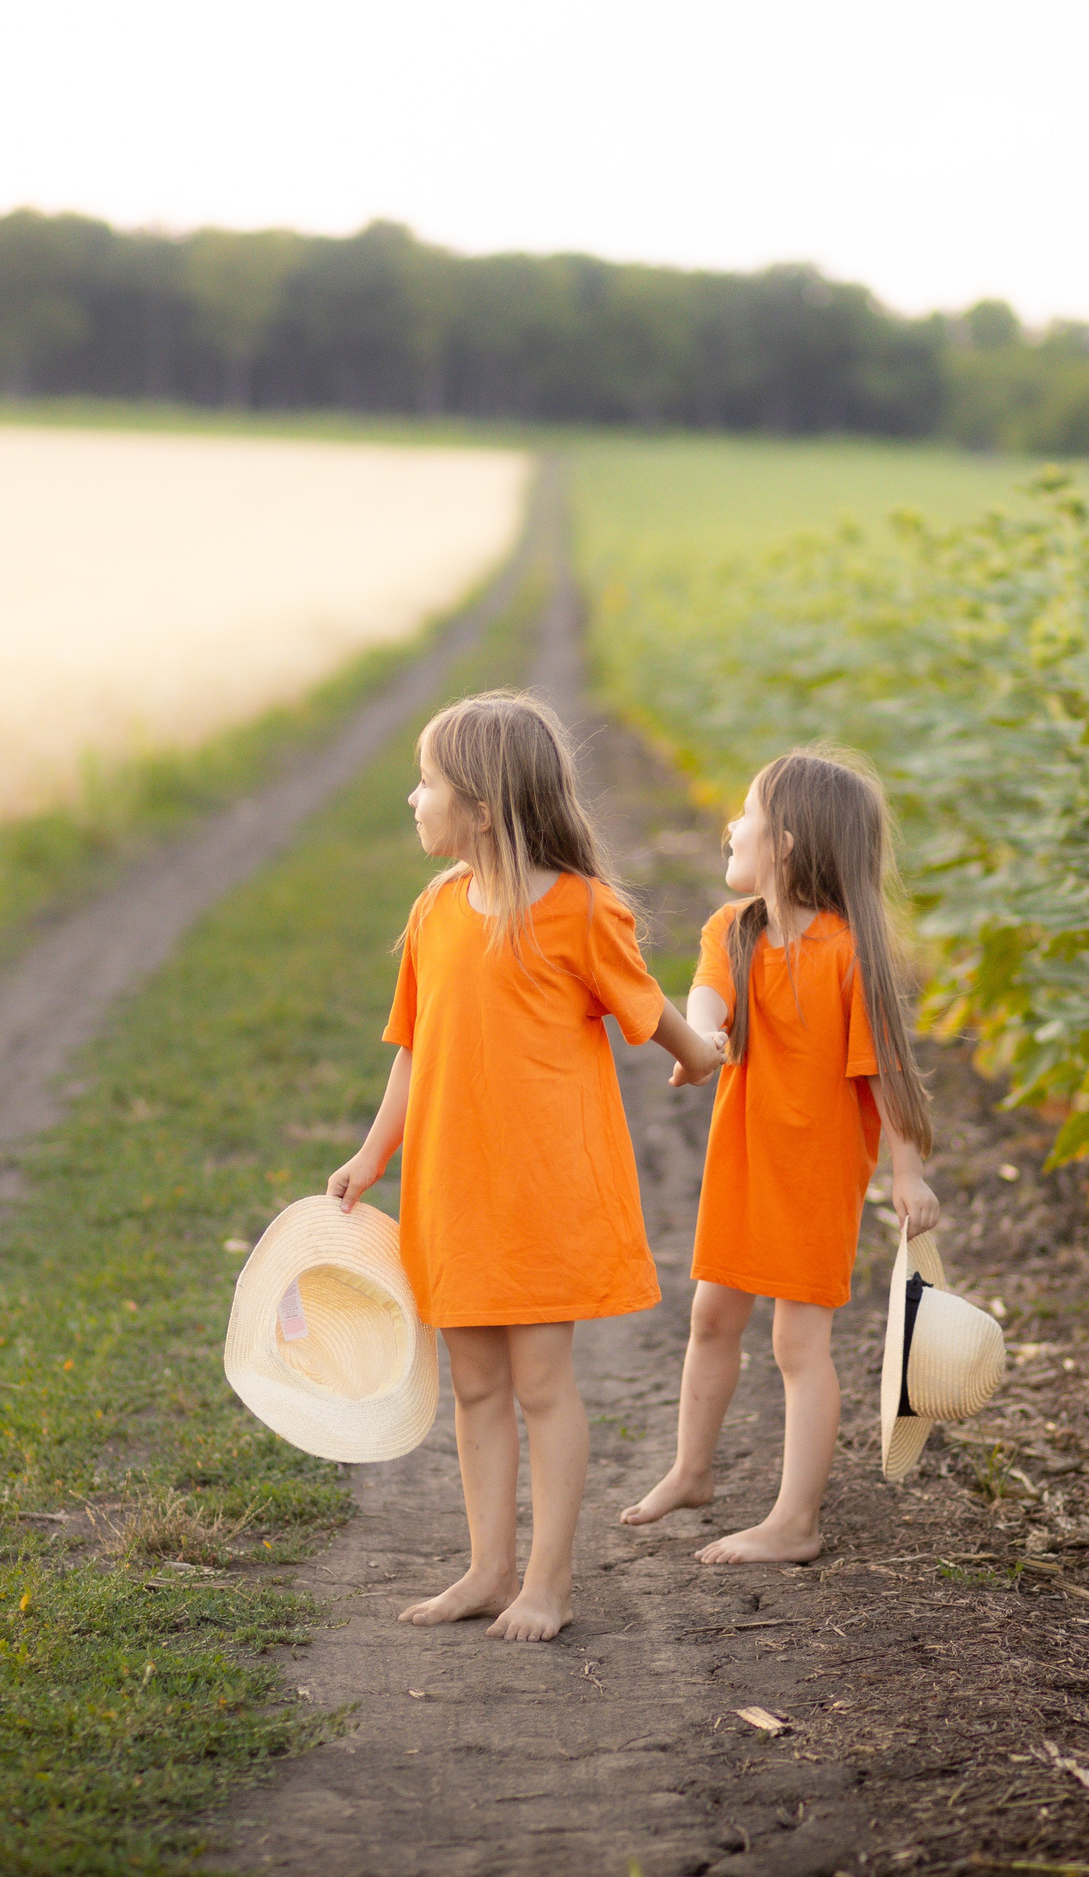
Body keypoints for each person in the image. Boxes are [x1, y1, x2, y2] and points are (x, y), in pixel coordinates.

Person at [329, 690, 720, 1642]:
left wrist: (698, 1051)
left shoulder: (581, 911)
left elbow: (651, 1013)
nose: (412, 801)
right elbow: (413, 1050)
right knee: (473, 1385)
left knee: (543, 1383)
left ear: (484, 805)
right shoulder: (435, 910)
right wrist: (374, 1151)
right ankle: (487, 1569)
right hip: (455, 1189)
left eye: (426, 784)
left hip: (546, 1192)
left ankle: (548, 1583)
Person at [622, 747, 939, 1563]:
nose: (731, 824)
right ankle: (692, 1470)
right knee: (711, 1315)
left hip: (814, 1173)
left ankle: (796, 1522)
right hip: (743, 1159)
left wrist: (907, 1173)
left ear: (787, 843)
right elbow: (706, 994)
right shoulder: (732, 929)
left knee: (797, 1345)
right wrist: (704, 1035)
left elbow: (886, 1072)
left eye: (747, 812)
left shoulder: (847, 953)